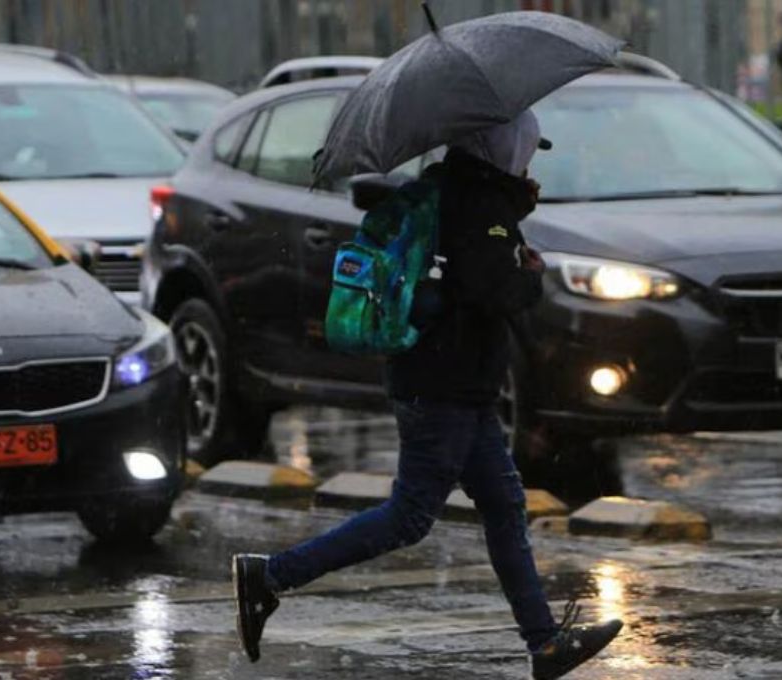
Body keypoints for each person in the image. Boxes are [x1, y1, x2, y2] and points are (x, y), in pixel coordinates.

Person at [232, 110, 624, 679]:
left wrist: (512, 219)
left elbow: (467, 277)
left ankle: (544, 644)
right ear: (499, 146)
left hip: (447, 381)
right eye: (525, 146)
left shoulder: (454, 191)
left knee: (503, 504)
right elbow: (490, 290)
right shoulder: (481, 204)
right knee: (410, 516)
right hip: (446, 386)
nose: (530, 157)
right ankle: (270, 575)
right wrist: (530, 273)